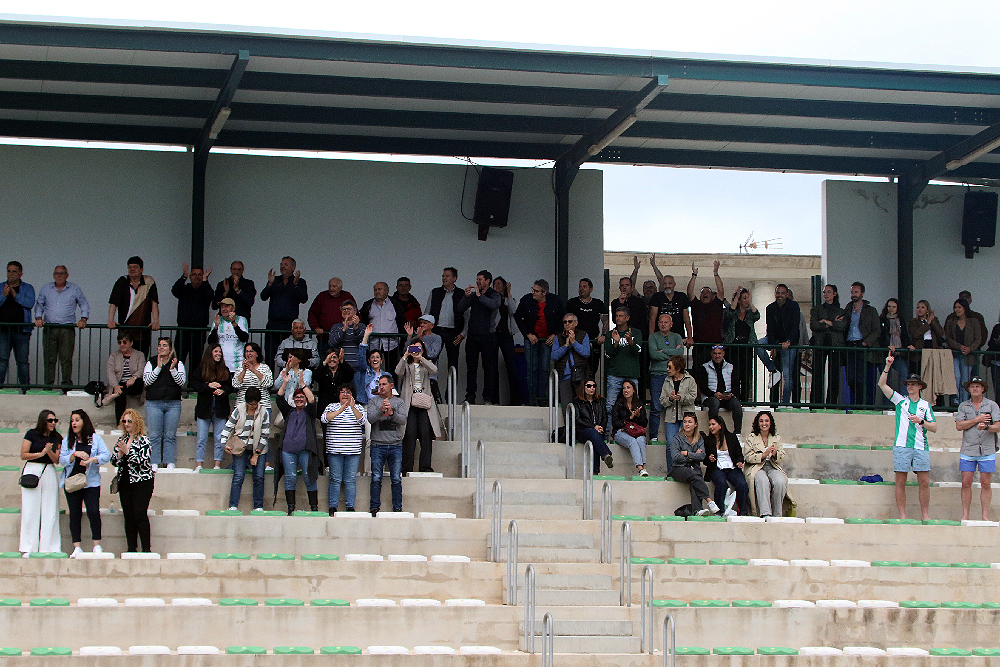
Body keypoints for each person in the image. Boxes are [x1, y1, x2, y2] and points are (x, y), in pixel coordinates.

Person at [878, 357, 936, 520]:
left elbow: (934, 427)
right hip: (902, 446)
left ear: (919, 387)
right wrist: (887, 366)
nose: (910, 386)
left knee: (924, 482)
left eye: (913, 384)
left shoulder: (925, 405)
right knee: (900, 481)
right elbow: (882, 385)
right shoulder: (900, 400)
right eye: (908, 384)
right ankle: (902, 515)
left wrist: (921, 421)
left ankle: (925, 515)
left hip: (920, 446)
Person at [59, 410, 110, 557]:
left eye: (76, 420)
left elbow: (106, 455)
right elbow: (61, 460)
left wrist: (92, 460)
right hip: (73, 481)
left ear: (84, 421)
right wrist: (74, 455)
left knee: (93, 512)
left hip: (91, 482)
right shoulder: (68, 440)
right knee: (74, 513)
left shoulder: (93, 439)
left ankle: (97, 545)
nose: (74, 423)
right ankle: (77, 546)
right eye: (72, 420)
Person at [33, 265, 89, 388]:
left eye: (62, 273)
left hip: (67, 328)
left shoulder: (74, 289)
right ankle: (48, 386)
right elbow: (39, 304)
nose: (59, 276)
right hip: (50, 327)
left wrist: (83, 319)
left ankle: (66, 386)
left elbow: (83, 303)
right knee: (49, 359)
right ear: (53, 275)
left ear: (67, 275)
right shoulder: (46, 288)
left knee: (66, 359)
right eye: (57, 273)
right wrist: (38, 318)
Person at [273, 383, 322, 515]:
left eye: (302, 397)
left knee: (309, 477)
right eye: (297, 397)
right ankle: (290, 507)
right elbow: (279, 398)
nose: (299, 399)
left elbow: (312, 400)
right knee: (290, 478)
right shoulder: (289, 411)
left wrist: (303, 384)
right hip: (288, 450)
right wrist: (285, 382)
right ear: (293, 399)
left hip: (305, 449)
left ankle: (314, 507)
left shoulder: (309, 412)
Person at [955, 376, 1000, 521]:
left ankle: (984, 515)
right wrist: (977, 420)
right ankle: (965, 515)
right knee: (965, 482)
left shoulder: (992, 405)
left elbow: (998, 426)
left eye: (977, 386)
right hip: (968, 449)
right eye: (972, 386)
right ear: (968, 389)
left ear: (983, 389)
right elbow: (959, 426)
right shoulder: (963, 406)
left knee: (986, 483)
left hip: (987, 449)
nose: (974, 389)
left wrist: (986, 427)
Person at [110, 408, 155, 553]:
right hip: (125, 481)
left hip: (142, 481)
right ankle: (131, 548)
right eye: (125, 421)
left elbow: (143, 461)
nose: (127, 424)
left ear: (136, 423)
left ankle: (146, 549)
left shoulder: (144, 440)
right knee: (128, 515)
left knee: (140, 514)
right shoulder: (121, 440)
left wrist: (127, 452)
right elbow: (113, 461)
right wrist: (120, 454)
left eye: (130, 421)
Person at [515, 279, 564, 406]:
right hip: (531, 339)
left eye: (536, 291)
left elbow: (562, 320)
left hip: (546, 340)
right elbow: (518, 317)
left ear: (544, 292)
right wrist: (528, 334)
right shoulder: (526, 300)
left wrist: (554, 335)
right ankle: (532, 400)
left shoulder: (555, 301)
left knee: (544, 368)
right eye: (533, 289)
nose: (533, 293)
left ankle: (543, 399)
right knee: (532, 369)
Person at [221, 386, 271, 512]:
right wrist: (223, 443)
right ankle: (233, 505)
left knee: (259, 477)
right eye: (250, 404)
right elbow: (228, 427)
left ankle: (258, 506)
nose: (252, 406)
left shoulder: (264, 412)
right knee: (238, 476)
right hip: (240, 447)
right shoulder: (239, 409)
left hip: (258, 447)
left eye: (254, 404)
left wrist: (257, 454)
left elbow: (265, 435)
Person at [396, 339, 442, 473]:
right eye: (414, 348)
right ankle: (406, 468)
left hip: (424, 402)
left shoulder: (426, 364)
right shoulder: (407, 364)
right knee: (409, 434)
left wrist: (421, 358)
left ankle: (425, 467)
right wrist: (405, 355)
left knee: (426, 434)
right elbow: (398, 371)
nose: (416, 351)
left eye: (419, 348)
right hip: (409, 403)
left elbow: (434, 370)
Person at [19, 410, 61, 555]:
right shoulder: (31, 434)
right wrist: (40, 453)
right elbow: (23, 454)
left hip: (48, 470)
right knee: (30, 509)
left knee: (50, 510)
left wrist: (48, 452)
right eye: (50, 420)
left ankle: (48, 547)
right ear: (43, 421)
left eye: (55, 420)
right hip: (32, 469)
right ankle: (28, 547)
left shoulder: (57, 437)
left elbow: (56, 460)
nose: (53, 423)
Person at [459, 270, 502, 405]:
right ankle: (470, 396)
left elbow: (494, 305)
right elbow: (459, 308)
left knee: (488, 368)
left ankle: (488, 397)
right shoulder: (473, 296)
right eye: (477, 279)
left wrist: (480, 296)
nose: (477, 282)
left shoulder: (494, 295)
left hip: (488, 336)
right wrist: (466, 297)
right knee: (471, 368)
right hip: (472, 336)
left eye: (480, 279)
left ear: (488, 281)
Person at [322, 383, 366, 514]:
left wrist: (352, 408)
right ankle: (332, 507)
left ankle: (350, 507)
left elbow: (363, 421)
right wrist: (341, 409)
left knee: (350, 480)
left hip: (353, 451)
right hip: (335, 450)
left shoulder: (358, 408)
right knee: (335, 479)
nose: (345, 394)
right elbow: (324, 419)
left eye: (348, 392)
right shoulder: (332, 406)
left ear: (353, 395)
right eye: (342, 392)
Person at [142, 337, 186, 468]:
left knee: (170, 435)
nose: (161, 348)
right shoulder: (151, 362)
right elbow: (147, 381)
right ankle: (154, 461)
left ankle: (169, 461)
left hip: (173, 403)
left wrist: (172, 369)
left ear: (170, 349)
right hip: (154, 403)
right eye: (159, 345)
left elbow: (181, 382)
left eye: (164, 345)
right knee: (154, 435)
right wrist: (158, 368)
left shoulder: (178, 364)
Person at [366, 375, 407, 516]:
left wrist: (392, 412)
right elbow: (370, 419)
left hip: (395, 445)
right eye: (380, 384)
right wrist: (380, 410)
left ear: (391, 385)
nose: (381, 387)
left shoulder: (399, 402)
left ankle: (397, 507)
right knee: (376, 477)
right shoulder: (373, 401)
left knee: (396, 478)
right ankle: (374, 507)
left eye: (384, 384)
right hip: (377, 445)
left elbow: (403, 420)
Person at [189, 344, 232, 471]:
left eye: (220, 352)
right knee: (201, 438)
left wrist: (223, 391)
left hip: (220, 409)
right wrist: (208, 385)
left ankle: (217, 464)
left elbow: (230, 387)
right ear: (210, 353)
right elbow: (194, 384)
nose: (219, 354)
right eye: (216, 351)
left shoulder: (225, 369)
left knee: (220, 438)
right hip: (204, 409)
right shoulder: (202, 369)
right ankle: (199, 465)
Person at [107, 256, 158, 357]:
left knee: (142, 360)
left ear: (141, 269)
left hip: (143, 331)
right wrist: (110, 320)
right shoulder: (122, 281)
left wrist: (156, 322)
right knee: (126, 360)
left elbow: (154, 303)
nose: (132, 269)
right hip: (125, 331)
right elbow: (113, 303)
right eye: (130, 267)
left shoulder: (149, 281)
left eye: (135, 267)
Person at [261, 256, 308, 364]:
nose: (282, 267)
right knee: (269, 357)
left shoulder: (300, 282)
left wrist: (295, 285)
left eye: (286, 264)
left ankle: (287, 380)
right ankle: (270, 380)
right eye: (281, 264)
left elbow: (304, 299)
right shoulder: (275, 280)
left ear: (293, 267)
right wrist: (269, 284)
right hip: (273, 325)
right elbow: (263, 296)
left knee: (289, 358)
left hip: (289, 327)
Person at [840, 282, 880, 406]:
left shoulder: (870, 311)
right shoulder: (847, 309)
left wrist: (865, 343)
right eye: (852, 292)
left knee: (862, 379)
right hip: (849, 345)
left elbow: (877, 330)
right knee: (851, 379)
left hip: (862, 346)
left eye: (856, 292)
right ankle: (856, 403)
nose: (853, 295)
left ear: (862, 293)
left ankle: (863, 405)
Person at [742, 411, 789, 518]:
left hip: (772, 465)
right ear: (757, 423)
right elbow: (748, 456)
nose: (764, 423)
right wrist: (763, 455)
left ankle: (777, 514)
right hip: (756, 467)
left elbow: (782, 455)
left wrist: (775, 453)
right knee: (762, 481)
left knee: (780, 481)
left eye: (767, 421)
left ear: (770, 423)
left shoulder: (776, 437)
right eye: (761, 421)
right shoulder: (752, 437)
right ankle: (765, 513)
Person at [669, 413, 716, 515]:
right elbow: (676, 457)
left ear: (695, 424)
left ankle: (697, 510)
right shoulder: (677, 438)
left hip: (694, 469)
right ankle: (709, 500)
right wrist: (693, 456)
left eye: (690, 422)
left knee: (694, 477)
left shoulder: (699, 438)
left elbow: (702, 456)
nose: (687, 424)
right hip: (678, 469)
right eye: (685, 422)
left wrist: (687, 454)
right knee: (693, 475)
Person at [703, 416, 750, 516]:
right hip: (716, 468)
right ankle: (719, 511)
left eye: (713, 424)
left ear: (720, 426)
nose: (711, 427)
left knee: (742, 484)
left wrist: (740, 462)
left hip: (732, 468)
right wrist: (709, 459)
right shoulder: (708, 440)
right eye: (709, 425)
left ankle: (743, 512)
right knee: (721, 483)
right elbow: (705, 460)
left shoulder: (731, 437)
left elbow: (739, 455)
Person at [604, 306, 642, 430]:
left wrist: (630, 341)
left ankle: (635, 432)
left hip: (631, 374)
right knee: (610, 406)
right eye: (616, 316)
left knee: (634, 405)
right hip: (614, 374)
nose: (618, 318)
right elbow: (608, 354)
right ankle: (609, 435)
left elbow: (638, 351)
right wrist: (615, 342)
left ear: (627, 317)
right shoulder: (611, 333)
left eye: (621, 316)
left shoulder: (636, 332)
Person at [171, 263, 215, 370]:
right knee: (179, 359)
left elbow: (210, 296)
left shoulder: (205, 289)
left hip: (198, 331)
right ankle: (177, 385)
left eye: (200, 275)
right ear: (190, 277)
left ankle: (194, 385)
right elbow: (174, 290)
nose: (197, 277)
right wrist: (184, 276)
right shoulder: (184, 289)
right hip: (183, 330)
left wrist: (205, 281)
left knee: (196, 361)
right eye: (194, 274)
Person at [648, 314, 684, 443]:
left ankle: (680, 436)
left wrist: (662, 351)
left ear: (671, 324)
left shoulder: (677, 336)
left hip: (674, 376)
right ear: (658, 323)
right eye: (661, 322)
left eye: (666, 322)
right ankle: (653, 436)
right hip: (657, 374)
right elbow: (653, 354)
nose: (663, 324)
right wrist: (672, 352)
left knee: (676, 405)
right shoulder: (653, 336)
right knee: (656, 407)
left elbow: (680, 354)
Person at [763, 284, 801, 405]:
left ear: (787, 294)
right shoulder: (770, 308)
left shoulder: (793, 306)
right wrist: (773, 346)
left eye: (782, 293)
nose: (780, 295)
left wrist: (789, 341)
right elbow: (770, 328)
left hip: (790, 343)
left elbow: (795, 326)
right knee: (758, 344)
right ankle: (772, 368)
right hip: (776, 340)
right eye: (778, 293)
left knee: (788, 375)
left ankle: (785, 402)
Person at [0, 261, 35, 390]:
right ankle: (0, 388)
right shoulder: (1, 287)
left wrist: (15, 295)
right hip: (3, 331)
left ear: (20, 273)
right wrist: (4, 295)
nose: (11, 274)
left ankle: (25, 389)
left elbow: (30, 303)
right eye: (9, 271)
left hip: (22, 331)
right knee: (2, 361)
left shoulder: (28, 288)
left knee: (22, 362)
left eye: (14, 271)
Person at [686, 261, 726, 368]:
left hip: (715, 347)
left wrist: (716, 273)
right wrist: (694, 275)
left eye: (707, 292)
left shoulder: (717, 304)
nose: (705, 294)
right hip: (699, 346)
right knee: (699, 373)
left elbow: (721, 290)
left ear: (712, 295)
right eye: (703, 292)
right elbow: (690, 292)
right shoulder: (696, 305)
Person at [810, 284, 845, 405]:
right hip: (820, 343)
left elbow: (843, 326)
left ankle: (832, 403)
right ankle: (816, 403)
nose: (826, 294)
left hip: (835, 344)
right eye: (825, 292)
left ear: (835, 294)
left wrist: (825, 321)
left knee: (834, 375)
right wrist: (831, 323)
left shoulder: (840, 310)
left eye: (829, 292)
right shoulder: (817, 309)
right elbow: (814, 325)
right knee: (817, 374)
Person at [695, 345, 743, 433]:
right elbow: (703, 387)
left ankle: (737, 433)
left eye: (719, 353)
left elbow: (736, 385)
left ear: (723, 354)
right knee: (714, 403)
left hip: (727, 397)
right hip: (710, 397)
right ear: (711, 354)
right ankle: (713, 432)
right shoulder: (704, 367)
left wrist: (730, 394)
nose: (717, 356)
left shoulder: (731, 367)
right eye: (715, 353)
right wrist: (714, 394)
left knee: (737, 405)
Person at [424, 267, 465, 372]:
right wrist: (425, 329)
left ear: (455, 278)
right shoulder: (435, 292)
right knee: (430, 359)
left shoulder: (461, 294)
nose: (444, 278)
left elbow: (467, 316)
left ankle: (451, 388)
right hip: (436, 331)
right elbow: (427, 313)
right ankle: (432, 387)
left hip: (454, 333)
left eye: (447, 276)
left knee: (453, 363)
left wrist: (463, 334)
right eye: (443, 276)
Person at [571, 378, 615, 474]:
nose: (592, 388)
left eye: (594, 386)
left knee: (595, 437)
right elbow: (577, 419)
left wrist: (601, 427)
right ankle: (606, 454)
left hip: (598, 431)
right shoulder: (577, 402)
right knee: (593, 434)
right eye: (589, 386)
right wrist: (593, 426)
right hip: (583, 431)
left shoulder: (601, 401)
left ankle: (595, 471)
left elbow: (605, 416)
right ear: (584, 387)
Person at [566, 278, 607, 378]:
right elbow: (566, 321)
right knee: (576, 371)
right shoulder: (572, 302)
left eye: (584, 286)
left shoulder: (598, 303)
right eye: (580, 286)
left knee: (592, 370)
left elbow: (605, 321)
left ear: (591, 289)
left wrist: (603, 335)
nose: (581, 288)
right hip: (576, 342)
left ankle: (589, 391)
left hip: (593, 342)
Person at [660, 355, 697, 466]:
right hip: (671, 417)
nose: (667, 369)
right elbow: (662, 400)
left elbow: (693, 397)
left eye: (670, 367)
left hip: (686, 417)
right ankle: (672, 471)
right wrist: (670, 399)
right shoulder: (666, 381)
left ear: (678, 368)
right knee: (671, 444)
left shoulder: (690, 380)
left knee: (690, 443)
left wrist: (682, 398)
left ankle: (690, 469)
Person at [360, 281, 403, 373]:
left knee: (392, 370)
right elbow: (363, 321)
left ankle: (392, 387)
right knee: (371, 370)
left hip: (392, 343)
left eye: (379, 289)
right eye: (375, 290)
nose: (377, 292)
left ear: (387, 290)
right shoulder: (368, 304)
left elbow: (401, 321)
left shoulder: (395, 303)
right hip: (373, 343)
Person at [945, 298, 983, 404]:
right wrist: (959, 346)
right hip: (956, 354)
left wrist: (970, 348)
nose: (957, 310)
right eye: (955, 307)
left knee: (964, 380)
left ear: (965, 308)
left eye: (959, 307)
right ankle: (956, 401)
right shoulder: (951, 322)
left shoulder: (973, 321)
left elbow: (978, 338)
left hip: (968, 355)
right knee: (956, 378)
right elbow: (948, 338)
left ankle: (965, 402)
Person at [647, 256, 692, 342]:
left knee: (677, 355)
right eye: (665, 283)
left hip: (678, 336)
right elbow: (652, 318)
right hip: (659, 337)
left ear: (674, 284)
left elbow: (687, 318)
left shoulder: (682, 296)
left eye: (670, 283)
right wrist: (651, 337)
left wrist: (690, 337)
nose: (667, 286)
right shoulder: (657, 297)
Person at [307, 277, 355, 356]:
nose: (331, 289)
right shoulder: (322, 296)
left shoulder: (347, 296)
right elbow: (312, 313)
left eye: (334, 286)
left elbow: (355, 313)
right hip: (325, 339)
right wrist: (316, 327)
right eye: (330, 286)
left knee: (342, 364)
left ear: (340, 288)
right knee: (325, 363)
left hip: (344, 340)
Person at [106, 332, 146, 424]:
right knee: (120, 395)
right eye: (120, 342)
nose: (122, 345)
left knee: (139, 382)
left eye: (124, 342)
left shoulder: (139, 355)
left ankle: (118, 393)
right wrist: (115, 385)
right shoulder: (114, 356)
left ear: (131, 343)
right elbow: (110, 371)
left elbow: (141, 369)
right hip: (120, 383)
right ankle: (120, 424)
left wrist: (134, 377)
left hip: (133, 384)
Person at [551, 312, 590, 408]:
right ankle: (568, 423)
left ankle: (581, 423)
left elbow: (586, 353)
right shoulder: (558, 337)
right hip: (564, 375)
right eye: (565, 322)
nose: (567, 324)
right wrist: (566, 346)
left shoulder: (583, 334)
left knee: (582, 404)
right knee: (566, 404)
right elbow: (553, 356)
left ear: (576, 323)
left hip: (580, 375)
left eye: (570, 321)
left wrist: (574, 342)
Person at [611, 379, 648, 476]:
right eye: (624, 388)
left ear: (634, 390)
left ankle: (642, 467)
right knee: (633, 442)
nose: (625, 390)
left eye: (628, 387)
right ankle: (640, 468)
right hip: (620, 432)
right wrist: (630, 418)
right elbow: (615, 423)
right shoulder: (618, 404)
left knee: (640, 440)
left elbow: (644, 424)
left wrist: (638, 416)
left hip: (635, 431)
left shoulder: (639, 404)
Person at [405, 313, 445, 402]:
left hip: (429, 373)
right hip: (413, 372)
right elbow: (406, 352)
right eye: (421, 323)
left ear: (432, 326)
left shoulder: (436, 338)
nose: (422, 325)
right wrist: (410, 337)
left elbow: (432, 354)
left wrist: (421, 340)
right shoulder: (416, 337)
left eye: (425, 323)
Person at [880, 298, 914, 400]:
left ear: (897, 308)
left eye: (894, 307)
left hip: (899, 353)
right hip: (886, 354)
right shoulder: (882, 319)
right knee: (886, 379)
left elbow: (904, 335)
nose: (891, 309)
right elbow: (881, 336)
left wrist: (908, 345)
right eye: (889, 306)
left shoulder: (901, 320)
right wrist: (886, 346)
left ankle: (905, 399)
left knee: (904, 373)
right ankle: (887, 403)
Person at [207, 297, 249, 373]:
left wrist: (234, 324)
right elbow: (210, 342)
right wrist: (216, 327)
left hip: (238, 365)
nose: (223, 309)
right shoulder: (218, 320)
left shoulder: (242, 320)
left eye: (227, 306)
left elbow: (244, 338)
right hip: (221, 364)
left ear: (233, 308)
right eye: (222, 306)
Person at [231, 342, 273, 413]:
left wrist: (253, 370)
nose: (248, 354)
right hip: (242, 405)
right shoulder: (240, 369)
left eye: (251, 351)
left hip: (262, 405)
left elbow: (268, 383)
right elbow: (235, 385)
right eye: (247, 351)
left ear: (257, 354)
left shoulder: (265, 368)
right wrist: (244, 371)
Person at [357, 324, 392, 404]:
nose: (375, 359)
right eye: (372, 357)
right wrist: (366, 336)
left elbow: (392, 393)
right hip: (367, 404)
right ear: (369, 361)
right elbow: (361, 358)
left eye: (377, 357)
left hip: (382, 404)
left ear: (381, 360)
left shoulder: (387, 375)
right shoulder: (365, 372)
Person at [316, 347, 355, 414]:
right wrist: (325, 362)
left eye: (334, 357)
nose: (332, 359)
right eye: (330, 357)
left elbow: (351, 375)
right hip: (324, 407)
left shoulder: (343, 371)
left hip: (341, 407)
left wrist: (342, 360)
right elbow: (316, 376)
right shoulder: (323, 371)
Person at [329, 301, 364, 372]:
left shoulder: (361, 326)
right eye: (343, 309)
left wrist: (356, 328)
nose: (346, 311)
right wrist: (343, 330)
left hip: (356, 367)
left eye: (349, 309)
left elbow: (362, 343)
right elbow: (332, 344)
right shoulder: (336, 327)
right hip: (340, 367)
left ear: (355, 311)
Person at [989, 314, 1000, 401]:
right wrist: (997, 342)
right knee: (997, 388)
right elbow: (990, 344)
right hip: (996, 362)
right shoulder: (997, 328)